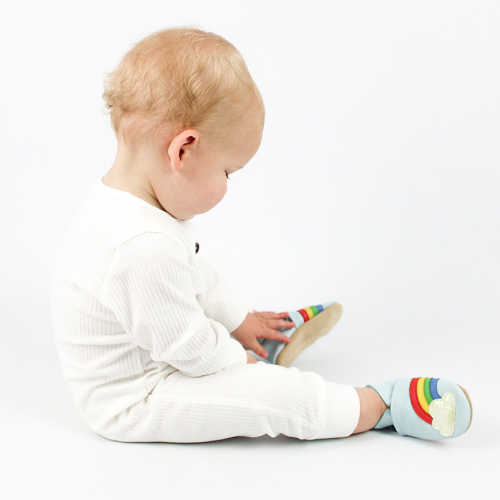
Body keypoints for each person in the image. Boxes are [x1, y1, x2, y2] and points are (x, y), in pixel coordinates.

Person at [50, 26, 472, 443]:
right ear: (183, 149)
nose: (228, 185)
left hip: (162, 355)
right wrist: (243, 362)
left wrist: (240, 320)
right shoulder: (139, 246)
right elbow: (189, 349)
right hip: (136, 399)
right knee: (274, 399)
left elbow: (193, 273)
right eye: (227, 171)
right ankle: (381, 404)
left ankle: (264, 337)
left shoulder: (131, 206)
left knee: (201, 293)